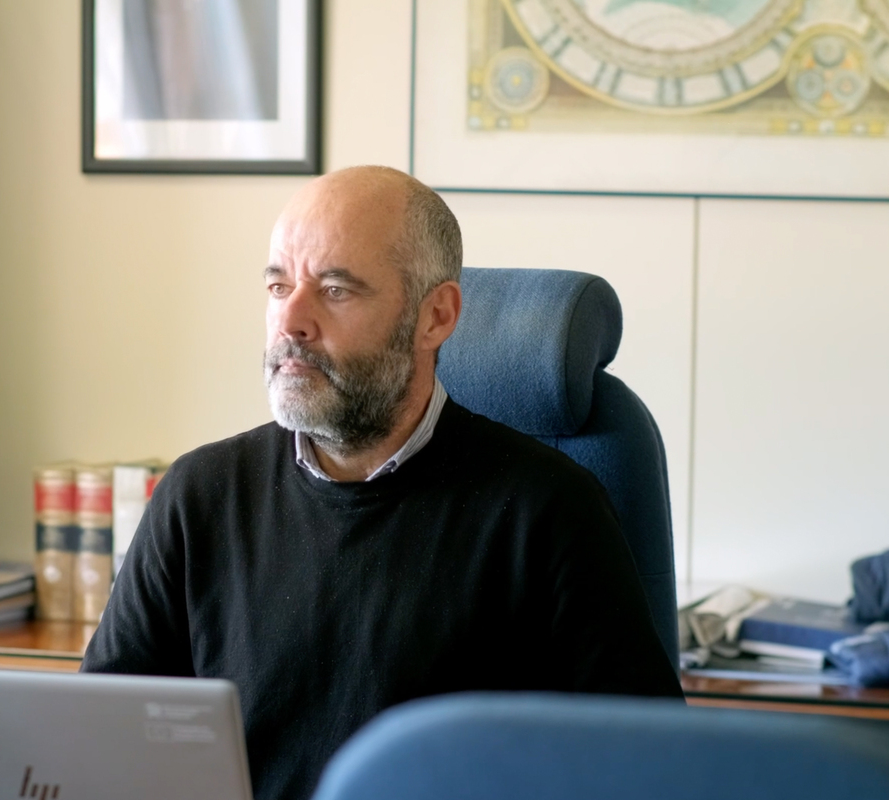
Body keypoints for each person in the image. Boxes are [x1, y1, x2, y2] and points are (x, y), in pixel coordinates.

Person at [81, 166, 683, 800]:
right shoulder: (199, 496)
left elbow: (646, 773)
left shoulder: (549, 511)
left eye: (335, 289)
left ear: (435, 317)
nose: (291, 321)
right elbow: (97, 743)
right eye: (279, 285)